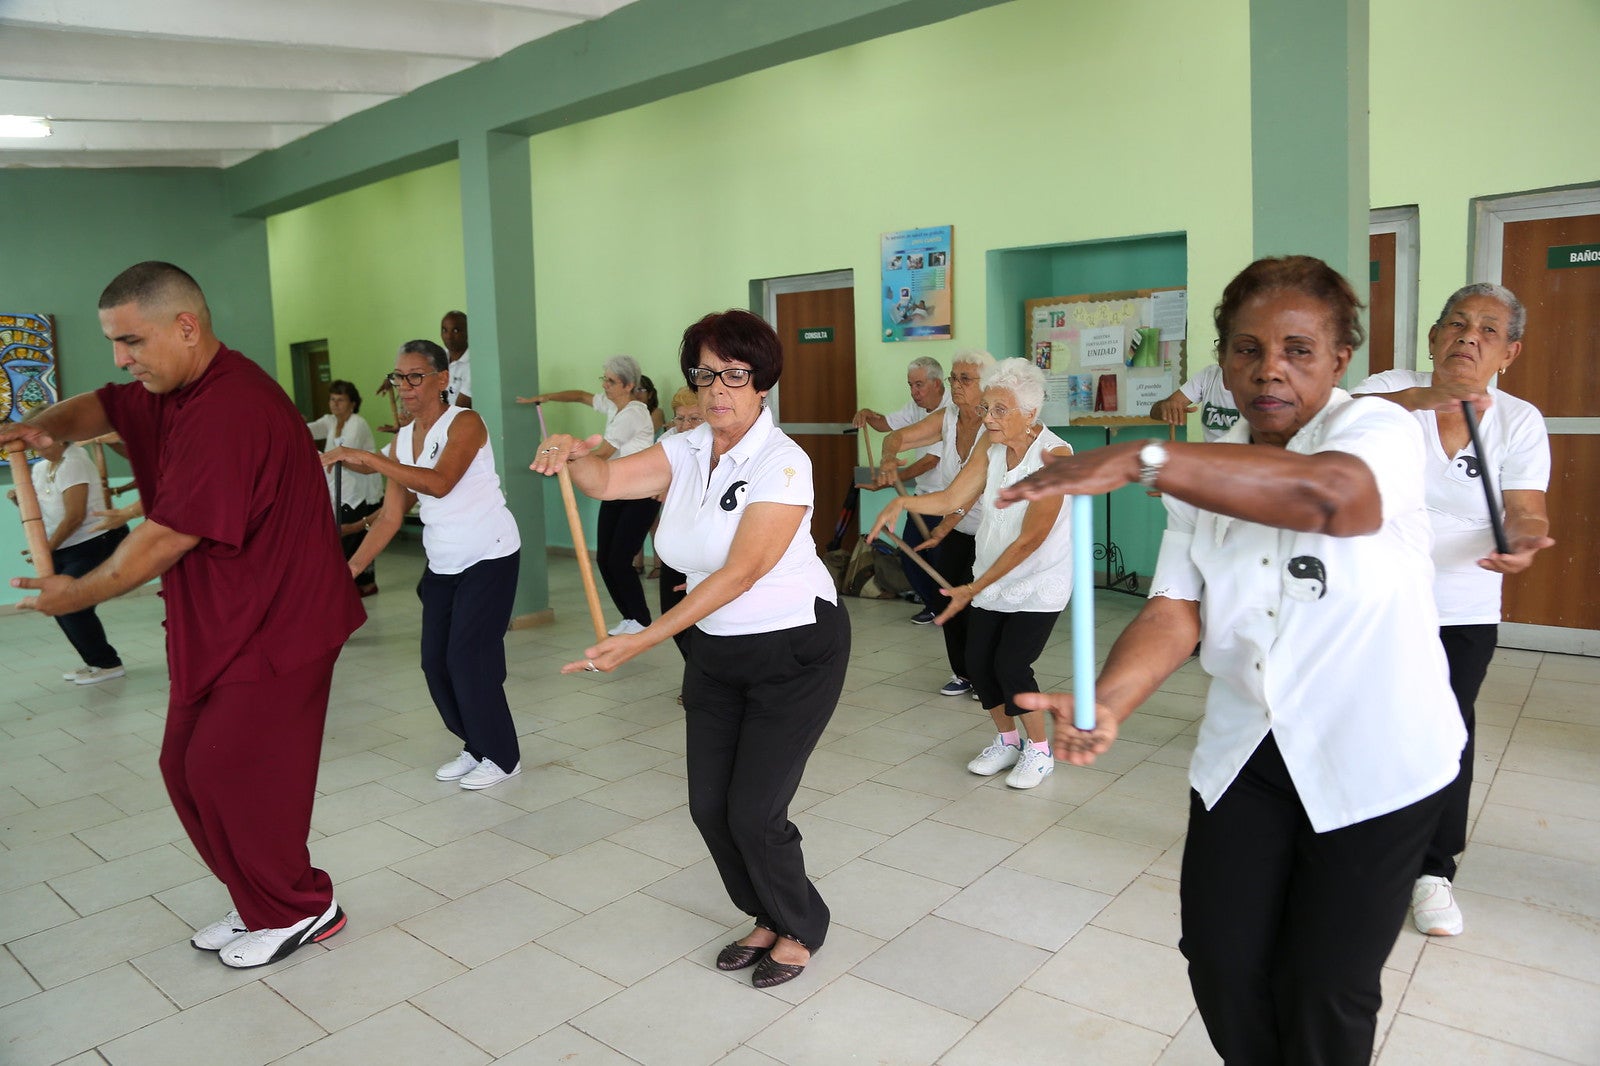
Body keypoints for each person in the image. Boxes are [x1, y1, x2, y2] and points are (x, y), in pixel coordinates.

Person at [1002, 256, 1466, 1063]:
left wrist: (1144, 457)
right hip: (1249, 748)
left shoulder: (1376, 430)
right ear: (1222, 360)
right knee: (1219, 958)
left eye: (1298, 350)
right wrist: (1110, 698)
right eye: (1246, 350)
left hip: (1378, 753)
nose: (1269, 370)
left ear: (1339, 359)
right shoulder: (1202, 471)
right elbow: (1176, 609)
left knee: (1325, 986)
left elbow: (1334, 497)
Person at [4, 261, 364, 969]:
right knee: (184, 766)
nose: (121, 359)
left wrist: (76, 593)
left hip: (280, 622)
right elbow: (100, 405)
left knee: (229, 769)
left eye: (131, 341)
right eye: (114, 342)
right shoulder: (167, 387)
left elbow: (168, 534)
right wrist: (45, 424)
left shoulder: (232, 408)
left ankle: (302, 906)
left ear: (186, 327)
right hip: (219, 618)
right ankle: (260, 895)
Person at [530, 309, 849, 989]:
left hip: (794, 648)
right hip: (717, 649)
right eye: (705, 374)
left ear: (762, 383)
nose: (717, 390)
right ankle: (763, 913)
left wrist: (642, 639)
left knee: (754, 811)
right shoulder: (686, 449)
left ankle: (800, 925)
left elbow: (741, 573)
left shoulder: (784, 463)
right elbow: (609, 483)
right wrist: (575, 453)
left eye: (734, 375)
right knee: (710, 806)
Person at [1354, 282, 1553, 938]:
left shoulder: (1518, 422)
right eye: (1458, 324)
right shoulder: (1391, 389)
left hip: (1461, 607)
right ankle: (1362, 844)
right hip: (1374, 599)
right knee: (1370, 721)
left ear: (1509, 353)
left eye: (1489, 331)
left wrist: (1523, 540)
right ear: (1435, 336)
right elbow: (1324, 420)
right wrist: (1421, 398)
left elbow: (1526, 508)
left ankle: (1433, 869)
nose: (1470, 336)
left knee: (1446, 731)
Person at [327, 340, 523, 791]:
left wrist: (370, 460)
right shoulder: (401, 442)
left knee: (469, 659)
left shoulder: (466, 423)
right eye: (399, 377)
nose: (405, 386)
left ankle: (503, 755)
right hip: (443, 563)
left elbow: (439, 483)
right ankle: (476, 744)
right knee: (435, 663)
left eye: (416, 376)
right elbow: (392, 517)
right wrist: (351, 569)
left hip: (489, 555)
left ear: (441, 379)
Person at [870, 358, 1074, 790]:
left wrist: (971, 588)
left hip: (1038, 580)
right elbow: (951, 498)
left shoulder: (1056, 458)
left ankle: (1039, 751)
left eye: (1001, 410)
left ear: (1031, 414)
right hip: (990, 575)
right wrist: (903, 504)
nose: (989, 419)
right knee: (980, 664)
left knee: (1011, 665)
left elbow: (1030, 540)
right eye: (987, 409)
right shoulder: (991, 445)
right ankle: (1006, 741)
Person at [875, 351, 994, 694]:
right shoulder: (949, 417)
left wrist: (929, 510)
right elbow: (897, 437)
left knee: (982, 605)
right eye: (953, 378)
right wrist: (888, 459)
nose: (956, 386)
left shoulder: (995, 421)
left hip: (991, 529)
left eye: (965, 379)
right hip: (956, 526)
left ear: (985, 384)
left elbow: (968, 491)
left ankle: (988, 678)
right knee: (946, 598)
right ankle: (965, 673)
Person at [519, 356, 659, 634]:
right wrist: (545, 397)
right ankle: (630, 617)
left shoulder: (633, 412)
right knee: (605, 559)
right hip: (616, 490)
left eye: (611, 381)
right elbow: (581, 396)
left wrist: (566, 460)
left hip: (641, 493)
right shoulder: (612, 404)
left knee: (619, 559)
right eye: (604, 379)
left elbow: (602, 454)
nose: (605, 385)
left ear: (629, 385)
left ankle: (641, 620)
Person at [6, 437, 128, 684]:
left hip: (98, 540)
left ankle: (108, 664)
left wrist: (45, 550)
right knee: (61, 605)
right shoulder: (40, 467)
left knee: (70, 604)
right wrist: (19, 500)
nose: (35, 446)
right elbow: (42, 511)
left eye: (40, 439)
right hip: (65, 545)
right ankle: (95, 662)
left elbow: (75, 516)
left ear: (60, 435)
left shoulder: (74, 461)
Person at [854, 357, 950, 623]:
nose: (914, 391)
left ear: (937, 384)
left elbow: (932, 460)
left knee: (942, 559)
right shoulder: (916, 406)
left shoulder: (952, 410)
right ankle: (933, 606)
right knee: (911, 554)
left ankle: (949, 608)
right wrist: (868, 414)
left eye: (919, 385)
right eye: (911, 385)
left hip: (948, 500)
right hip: (921, 497)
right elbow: (887, 425)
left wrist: (892, 476)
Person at [306, 379, 384, 596]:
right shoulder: (330, 421)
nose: (335, 404)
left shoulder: (357, 423)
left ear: (352, 403)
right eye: (332, 399)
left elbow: (345, 451)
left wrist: (329, 458)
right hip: (341, 489)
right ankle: (359, 584)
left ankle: (358, 584)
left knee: (354, 538)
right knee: (348, 538)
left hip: (361, 490)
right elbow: (307, 430)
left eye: (340, 400)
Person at [653, 385, 704, 658]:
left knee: (707, 614)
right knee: (672, 611)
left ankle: (704, 678)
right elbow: (657, 491)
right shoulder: (669, 442)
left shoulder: (718, 445)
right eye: (680, 418)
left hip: (705, 542)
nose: (685, 426)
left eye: (694, 418)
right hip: (676, 541)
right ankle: (697, 670)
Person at [376, 310, 472, 428]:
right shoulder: (439, 355)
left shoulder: (473, 366)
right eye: (444, 330)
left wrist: (416, 421)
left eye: (456, 330)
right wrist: (394, 379)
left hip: (453, 426)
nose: (449, 336)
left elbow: (459, 409)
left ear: (468, 331)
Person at [1149, 362, 1239, 442]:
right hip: (1210, 457)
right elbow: (1155, 412)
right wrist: (1166, 408)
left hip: (1247, 458)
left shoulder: (1252, 384)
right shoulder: (1209, 375)